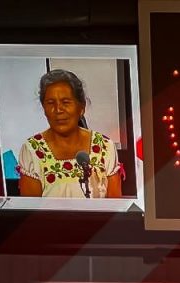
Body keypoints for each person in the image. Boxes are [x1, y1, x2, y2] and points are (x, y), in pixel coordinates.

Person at [17, 69, 122, 199]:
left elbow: (116, 206)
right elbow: (31, 209)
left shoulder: (104, 147)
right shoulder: (32, 149)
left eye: (66, 102)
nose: (58, 110)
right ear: (44, 109)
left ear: (81, 107)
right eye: (50, 103)